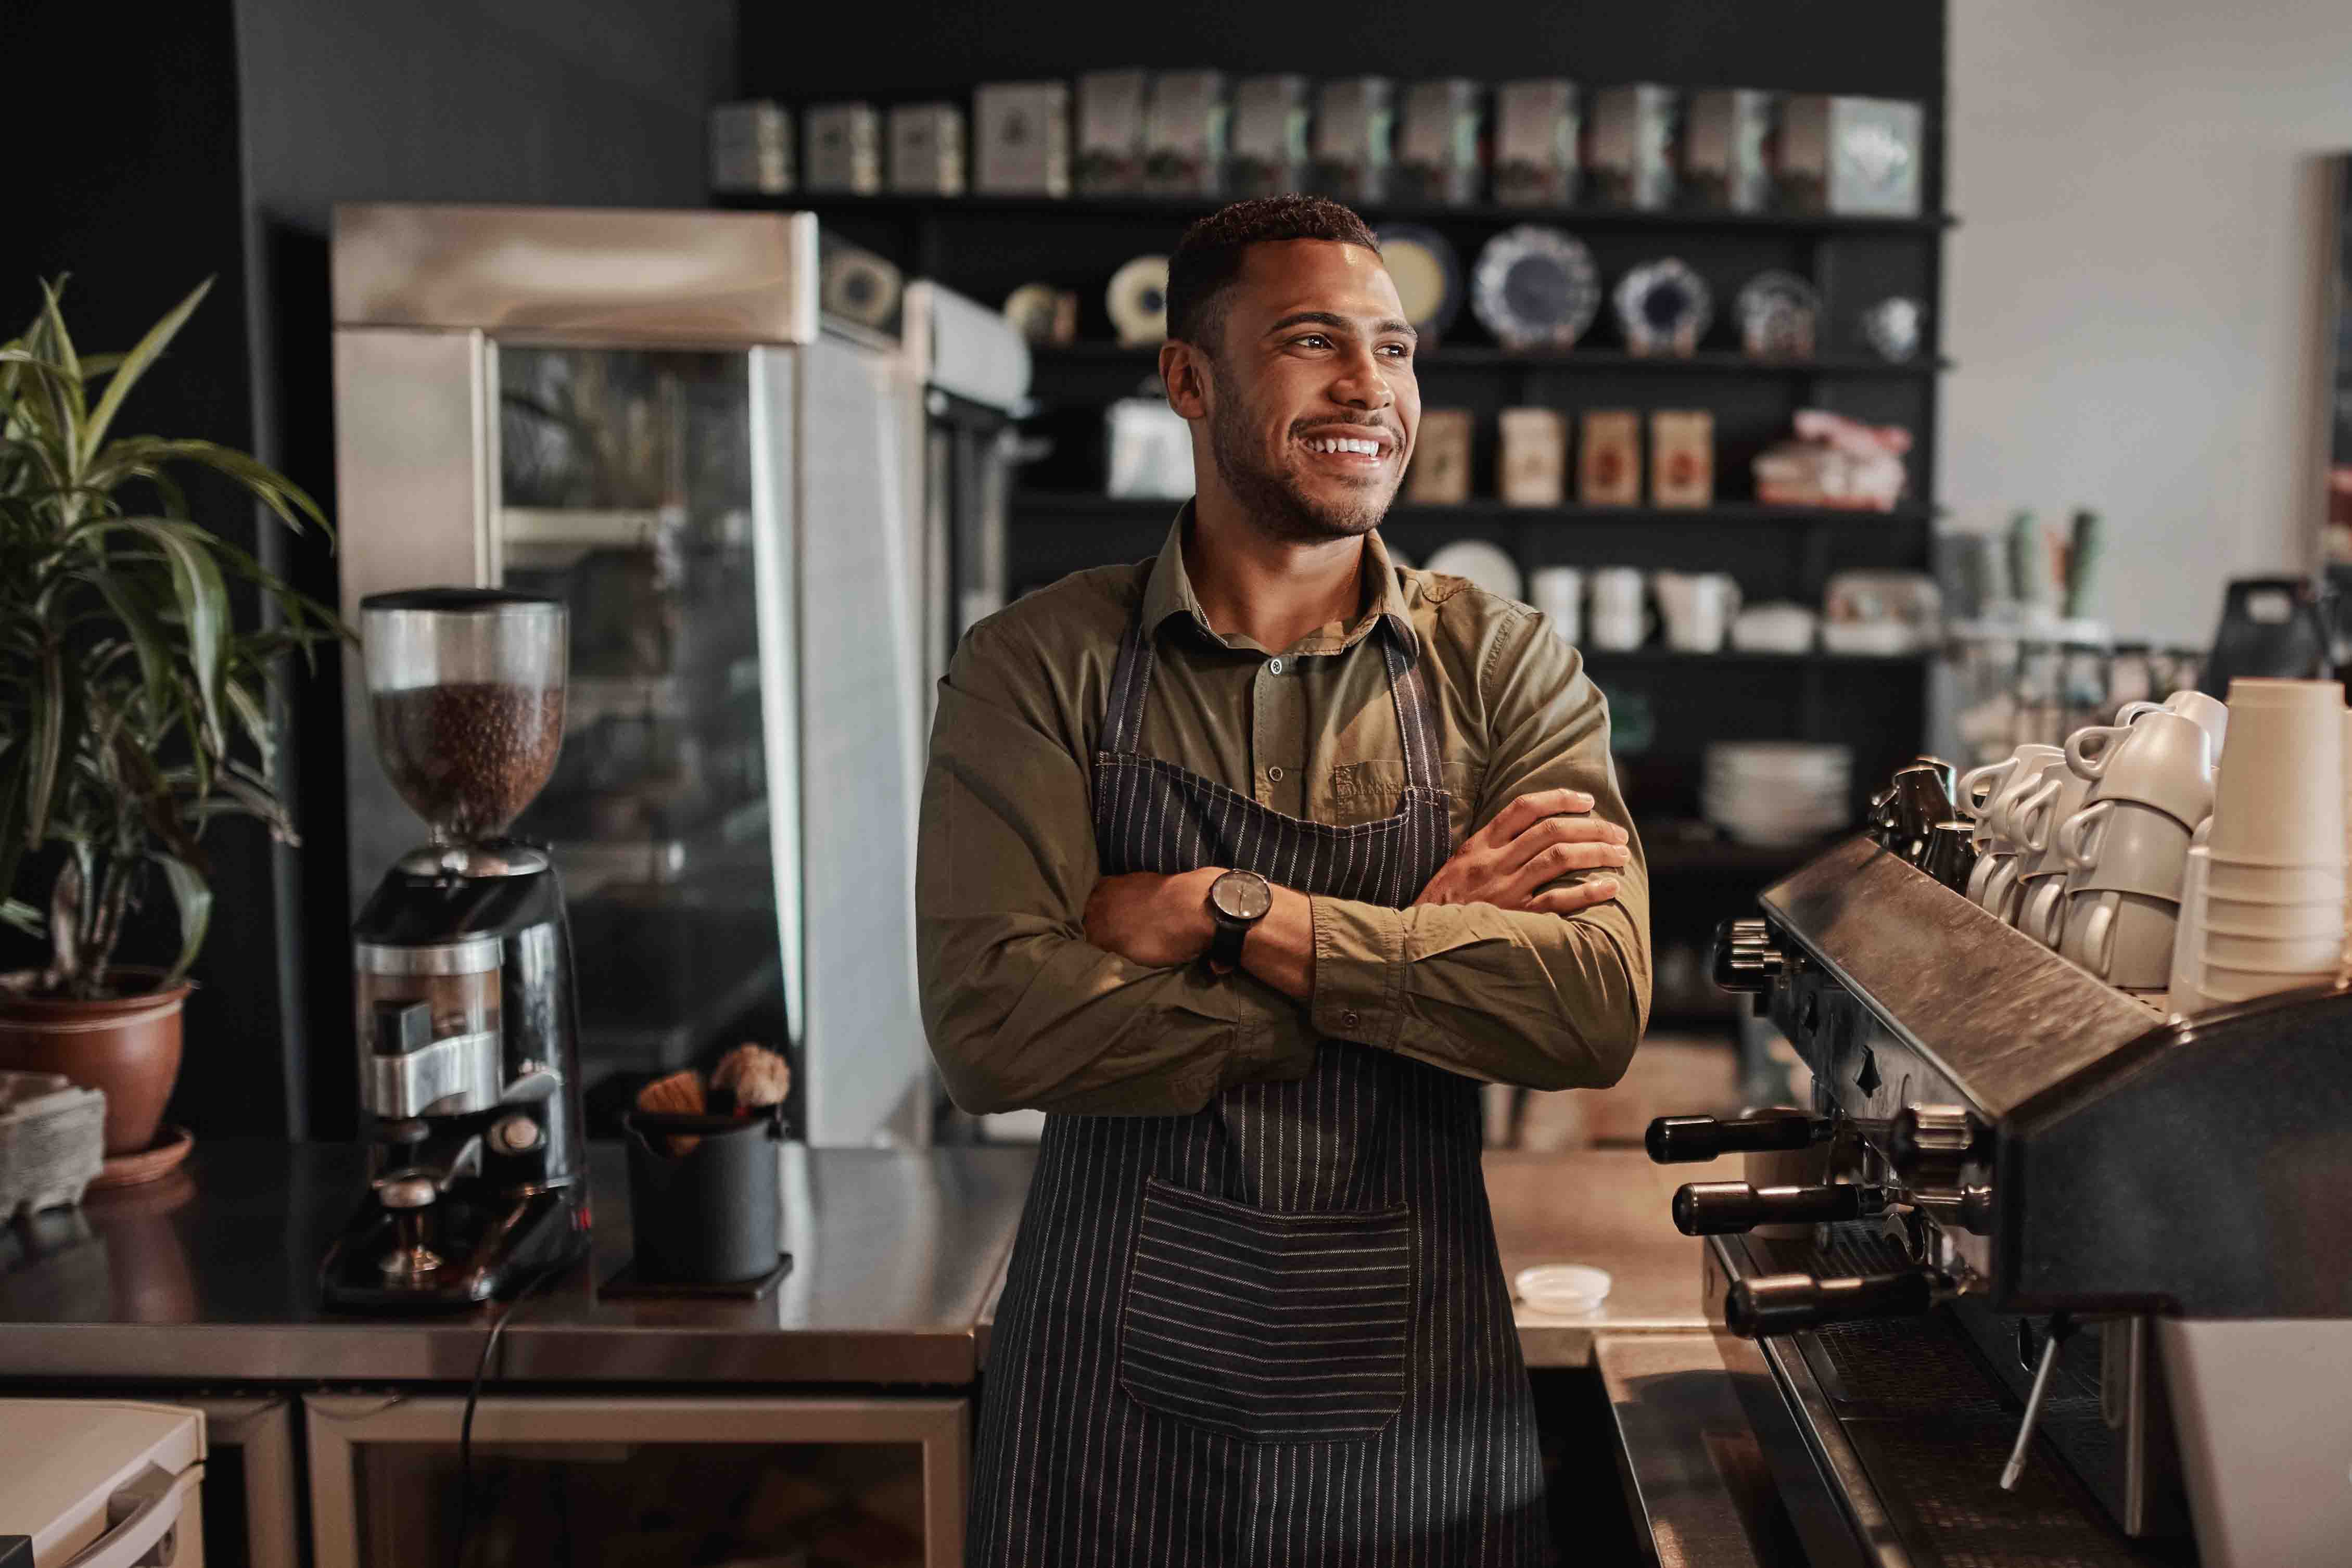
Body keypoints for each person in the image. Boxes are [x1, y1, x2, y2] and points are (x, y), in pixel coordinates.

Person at [918, 194, 1650, 1566]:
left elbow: (1592, 1012)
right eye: (1316, 342)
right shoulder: (1037, 665)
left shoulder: (1505, 667)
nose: (1370, 386)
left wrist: (1219, 914)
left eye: (1396, 349)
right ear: (1189, 377)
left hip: (1416, 1418)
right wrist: (1416, 951)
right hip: (1104, 1419)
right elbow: (989, 1027)